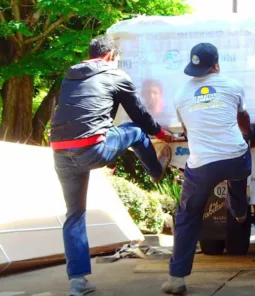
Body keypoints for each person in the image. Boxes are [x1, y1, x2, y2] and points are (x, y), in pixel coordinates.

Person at [50, 36, 171, 296]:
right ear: (109, 56)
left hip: (61, 151)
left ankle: (78, 282)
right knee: (137, 131)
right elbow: (139, 113)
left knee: (74, 216)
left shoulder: (70, 77)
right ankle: (156, 171)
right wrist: (161, 133)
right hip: (92, 148)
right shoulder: (115, 74)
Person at [161, 43, 253, 295]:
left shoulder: (180, 95)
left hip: (202, 165)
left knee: (187, 215)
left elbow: (190, 129)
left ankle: (176, 279)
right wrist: (249, 133)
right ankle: (240, 211)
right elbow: (242, 120)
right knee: (238, 177)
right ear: (216, 65)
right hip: (236, 157)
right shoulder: (232, 86)